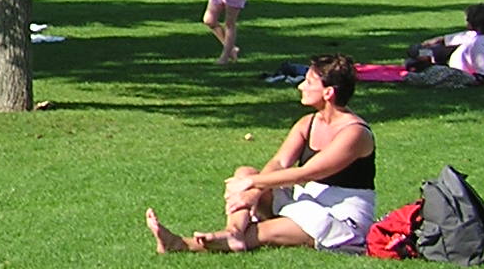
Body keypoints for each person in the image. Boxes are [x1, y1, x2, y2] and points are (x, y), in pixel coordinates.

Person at [146, 55, 375, 255]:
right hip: (305, 201)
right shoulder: (307, 122)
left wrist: (252, 184)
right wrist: (254, 190)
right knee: (245, 171)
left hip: (339, 217)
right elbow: (280, 162)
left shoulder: (354, 133)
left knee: (264, 230)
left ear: (328, 92)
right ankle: (233, 232)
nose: (300, 87)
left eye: (308, 82)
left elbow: (307, 173)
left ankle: (181, 244)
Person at [409, 3, 484, 82]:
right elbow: (458, 38)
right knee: (418, 52)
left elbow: (483, 74)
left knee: (412, 64)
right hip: (450, 54)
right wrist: (431, 42)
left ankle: (426, 62)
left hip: (453, 69)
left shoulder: (479, 44)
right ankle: (425, 58)